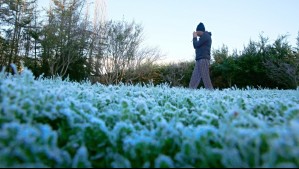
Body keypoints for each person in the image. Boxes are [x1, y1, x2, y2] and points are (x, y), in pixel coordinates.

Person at [189, 22, 214, 90]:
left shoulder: (206, 36)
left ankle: (211, 92)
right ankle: (190, 90)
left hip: (203, 59)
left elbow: (195, 45)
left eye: (197, 31)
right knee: (195, 77)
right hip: (199, 59)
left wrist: (194, 37)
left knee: (205, 77)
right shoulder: (203, 37)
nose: (196, 32)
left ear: (200, 30)